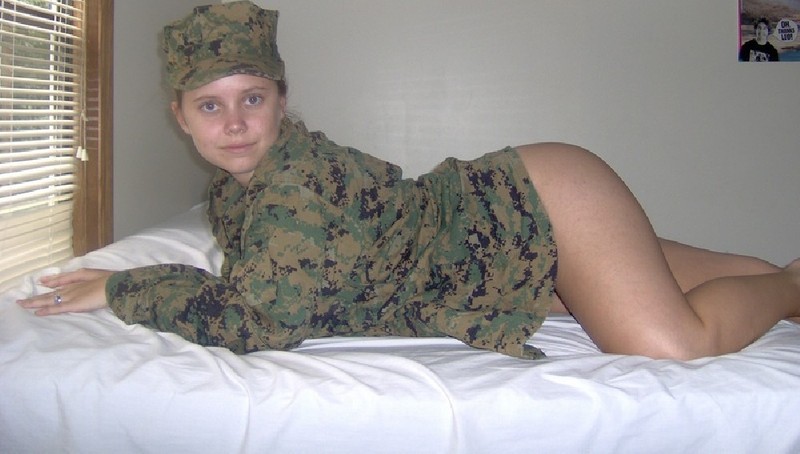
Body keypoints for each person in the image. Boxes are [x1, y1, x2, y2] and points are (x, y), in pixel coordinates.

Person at [19, 1, 800, 360]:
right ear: (181, 118)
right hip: (513, 250)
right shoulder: (238, 192)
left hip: (537, 207)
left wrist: (123, 287)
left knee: (670, 343)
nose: (234, 123)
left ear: (282, 101)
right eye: (210, 105)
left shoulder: (295, 187)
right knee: (735, 276)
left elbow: (261, 322)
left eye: (252, 98)